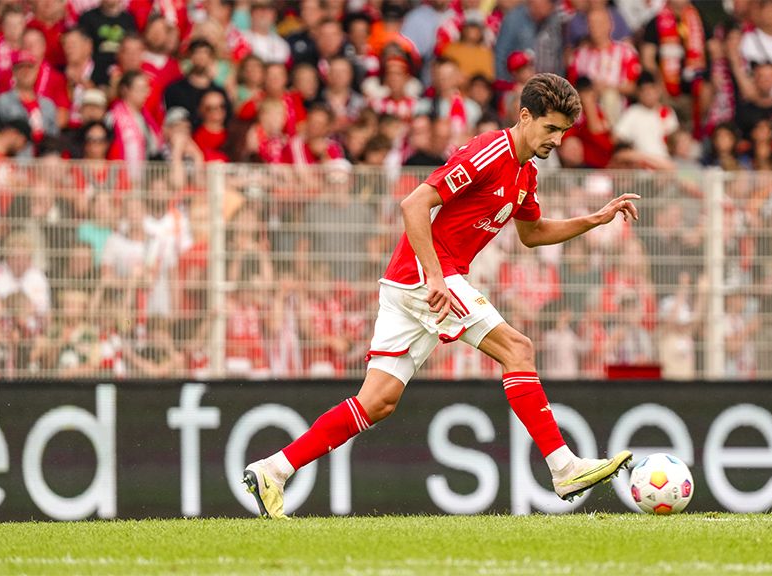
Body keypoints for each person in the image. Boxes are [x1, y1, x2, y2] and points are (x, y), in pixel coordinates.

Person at [243, 73, 637, 518]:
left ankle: (273, 470)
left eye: (563, 132)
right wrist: (433, 277)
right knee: (518, 348)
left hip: (411, 280)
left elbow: (532, 234)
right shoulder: (490, 151)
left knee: (378, 401)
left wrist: (595, 219)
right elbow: (414, 203)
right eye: (550, 128)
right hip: (426, 276)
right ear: (525, 116)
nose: (557, 140)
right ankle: (563, 466)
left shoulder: (526, 172)